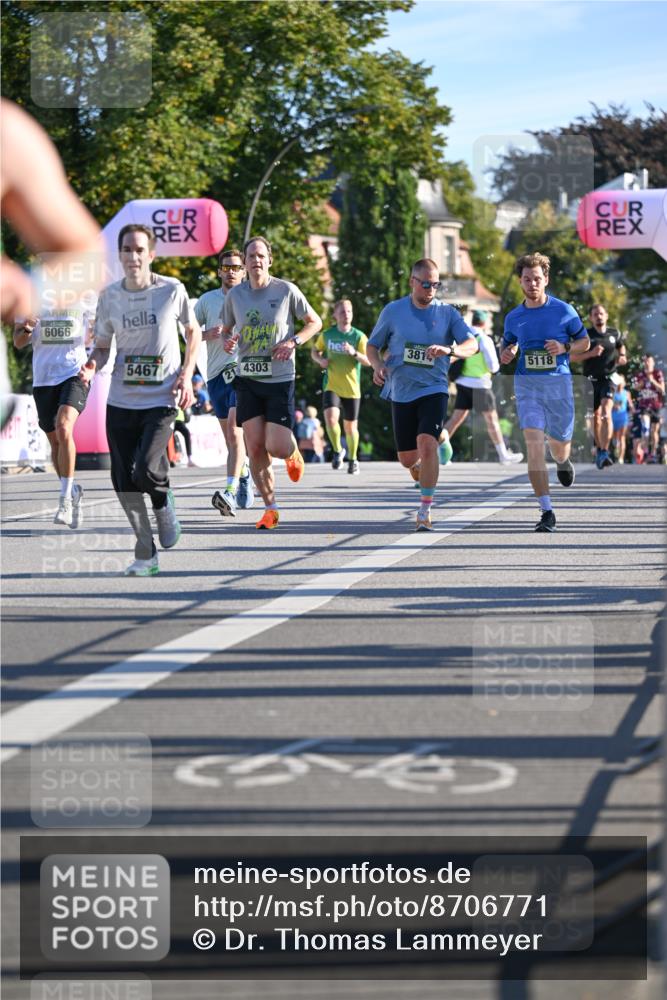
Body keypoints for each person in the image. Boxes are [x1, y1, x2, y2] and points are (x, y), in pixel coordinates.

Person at [83, 224, 201, 575]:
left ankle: (164, 503)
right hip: (122, 397)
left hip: (163, 395)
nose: (132, 256)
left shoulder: (171, 290)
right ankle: (146, 554)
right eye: (126, 250)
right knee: (122, 481)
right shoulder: (110, 297)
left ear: (151, 255)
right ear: (119, 256)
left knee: (147, 468)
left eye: (139, 250)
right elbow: (103, 347)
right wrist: (91, 365)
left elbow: (192, 332)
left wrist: (187, 374)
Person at [366, 258, 477, 531]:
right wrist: (378, 366)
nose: (431, 289)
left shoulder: (448, 313)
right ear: (412, 282)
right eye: (425, 284)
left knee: (427, 444)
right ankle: (435, 444)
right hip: (402, 390)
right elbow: (372, 345)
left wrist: (450, 350)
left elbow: (471, 344)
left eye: (436, 284)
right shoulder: (393, 311)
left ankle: (425, 509)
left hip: (434, 388)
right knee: (407, 458)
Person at [220, 235, 322, 529]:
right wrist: (228, 342)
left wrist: (294, 342)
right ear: (245, 262)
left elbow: (314, 321)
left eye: (261, 256)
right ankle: (270, 508)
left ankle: (291, 453)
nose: (256, 261)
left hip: (279, 378)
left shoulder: (286, 290)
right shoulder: (235, 296)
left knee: (275, 446)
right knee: (254, 447)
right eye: (251, 256)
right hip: (248, 377)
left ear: (270, 260)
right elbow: (226, 330)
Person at [500, 252, 590, 533]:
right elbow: (510, 342)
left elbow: (584, 342)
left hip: (558, 386)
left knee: (559, 445)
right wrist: (508, 351)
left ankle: (563, 462)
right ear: (520, 281)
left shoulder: (564, 311)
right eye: (527, 279)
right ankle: (546, 510)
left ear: (546, 279)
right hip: (527, 386)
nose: (532, 284)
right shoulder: (514, 316)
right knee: (534, 444)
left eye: (537, 279)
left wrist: (565, 348)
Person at [13, 306, 94, 526]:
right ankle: (73, 490)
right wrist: (28, 326)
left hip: (74, 374)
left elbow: (99, 333)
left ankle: (65, 500)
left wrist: (95, 337)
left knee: (63, 426)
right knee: (55, 442)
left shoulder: (84, 295)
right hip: (44, 379)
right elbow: (18, 342)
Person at [195, 248, 254, 516]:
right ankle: (243, 473)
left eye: (236, 267)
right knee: (230, 438)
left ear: (244, 271)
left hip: (243, 371)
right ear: (219, 271)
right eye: (226, 267)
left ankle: (229, 491)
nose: (231, 271)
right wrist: (208, 333)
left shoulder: (253, 298)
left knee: (234, 431)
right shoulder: (207, 301)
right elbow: (189, 333)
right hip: (216, 374)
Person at [440, 309, 523, 466]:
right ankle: (503, 455)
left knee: (456, 418)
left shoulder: (464, 338)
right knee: (492, 420)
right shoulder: (484, 339)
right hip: (480, 385)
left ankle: (440, 450)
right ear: (484, 323)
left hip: (462, 383)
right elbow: (493, 366)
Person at [310, 298, 370, 475]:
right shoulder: (327, 335)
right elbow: (315, 350)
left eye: (349, 311)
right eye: (342, 311)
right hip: (332, 385)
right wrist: (320, 360)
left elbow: (369, 361)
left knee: (351, 427)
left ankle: (353, 459)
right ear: (335, 315)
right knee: (330, 419)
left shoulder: (358, 336)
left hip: (352, 388)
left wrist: (354, 353)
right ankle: (337, 451)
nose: (346, 315)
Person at [576, 303, 627, 469]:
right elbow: (572, 357)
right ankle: (600, 449)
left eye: (601, 313)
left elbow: (620, 345)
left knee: (606, 412)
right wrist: (590, 354)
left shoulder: (614, 333)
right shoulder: (585, 336)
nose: (599, 316)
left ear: (606, 316)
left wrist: (623, 356)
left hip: (609, 378)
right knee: (596, 418)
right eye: (595, 314)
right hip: (590, 380)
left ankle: (605, 450)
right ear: (590, 318)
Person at [631, 353, 665, 464]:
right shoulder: (640, 374)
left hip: (656, 406)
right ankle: (645, 451)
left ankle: (653, 453)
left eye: (649, 361)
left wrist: (652, 380)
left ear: (653, 363)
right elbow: (635, 387)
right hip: (644, 406)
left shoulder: (657, 373)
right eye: (645, 361)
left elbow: (662, 390)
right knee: (645, 427)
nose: (647, 363)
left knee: (654, 431)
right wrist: (643, 382)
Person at [611, 374, 633, 464]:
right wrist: (614, 406)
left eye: (622, 381)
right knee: (615, 438)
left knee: (622, 437)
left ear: (624, 383)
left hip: (623, 417)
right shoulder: (612, 392)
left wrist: (633, 409)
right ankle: (616, 451)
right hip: (613, 417)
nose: (620, 383)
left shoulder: (627, 393)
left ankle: (621, 458)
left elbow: (630, 404)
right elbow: (608, 404)